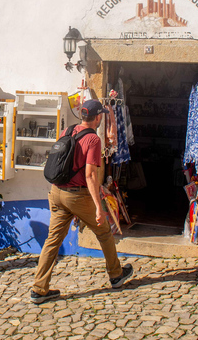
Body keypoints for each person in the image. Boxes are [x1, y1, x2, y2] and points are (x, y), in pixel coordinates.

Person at [31, 99, 134, 304]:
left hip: (57, 192)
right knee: (104, 232)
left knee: (53, 240)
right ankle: (115, 275)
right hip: (77, 195)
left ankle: (38, 289)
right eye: (101, 115)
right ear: (97, 117)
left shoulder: (67, 131)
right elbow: (90, 176)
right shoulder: (93, 140)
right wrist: (98, 206)